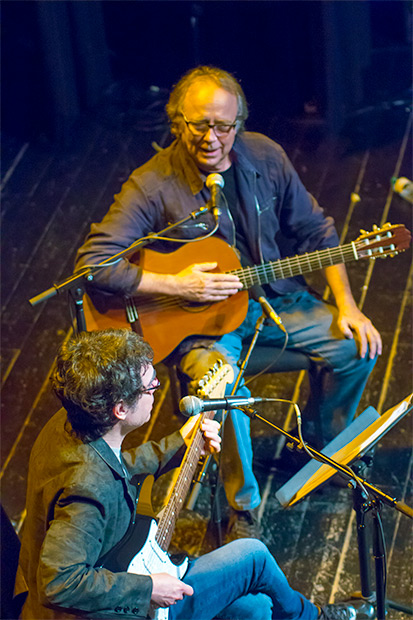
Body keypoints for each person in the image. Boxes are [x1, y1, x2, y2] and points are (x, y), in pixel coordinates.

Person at [75, 66, 382, 541]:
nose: (213, 138)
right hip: (201, 329)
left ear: (238, 122)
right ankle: (243, 510)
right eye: (200, 125)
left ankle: (320, 447)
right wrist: (177, 286)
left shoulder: (266, 156)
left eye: (224, 125)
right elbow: (93, 264)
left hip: (268, 303)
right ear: (177, 123)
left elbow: (319, 230)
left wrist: (348, 305)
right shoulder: (152, 184)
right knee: (223, 392)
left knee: (355, 347)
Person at [15, 328, 359, 620]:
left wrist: (179, 442)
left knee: (256, 610)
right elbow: (59, 582)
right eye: (150, 388)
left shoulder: (68, 423)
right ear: (120, 409)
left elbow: (115, 467)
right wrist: (149, 588)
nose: (156, 392)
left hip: (114, 565)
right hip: (112, 609)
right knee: (253, 556)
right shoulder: (87, 490)